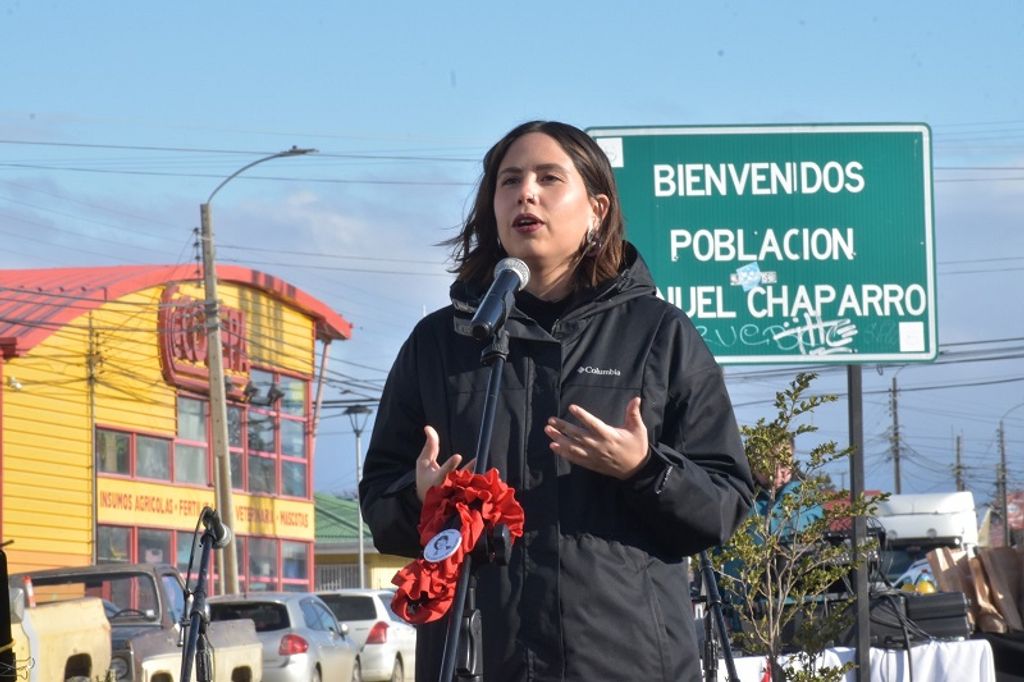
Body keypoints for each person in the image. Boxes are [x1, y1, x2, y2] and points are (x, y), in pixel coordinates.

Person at [359, 120, 753, 681]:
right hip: (479, 658)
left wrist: (643, 470)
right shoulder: (441, 344)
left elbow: (723, 502)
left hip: (626, 660)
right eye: (509, 180)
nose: (526, 193)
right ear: (491, 210)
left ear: (596, 207)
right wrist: (421, 498)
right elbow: (379, 501)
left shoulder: (657, 334)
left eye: (549, 178)